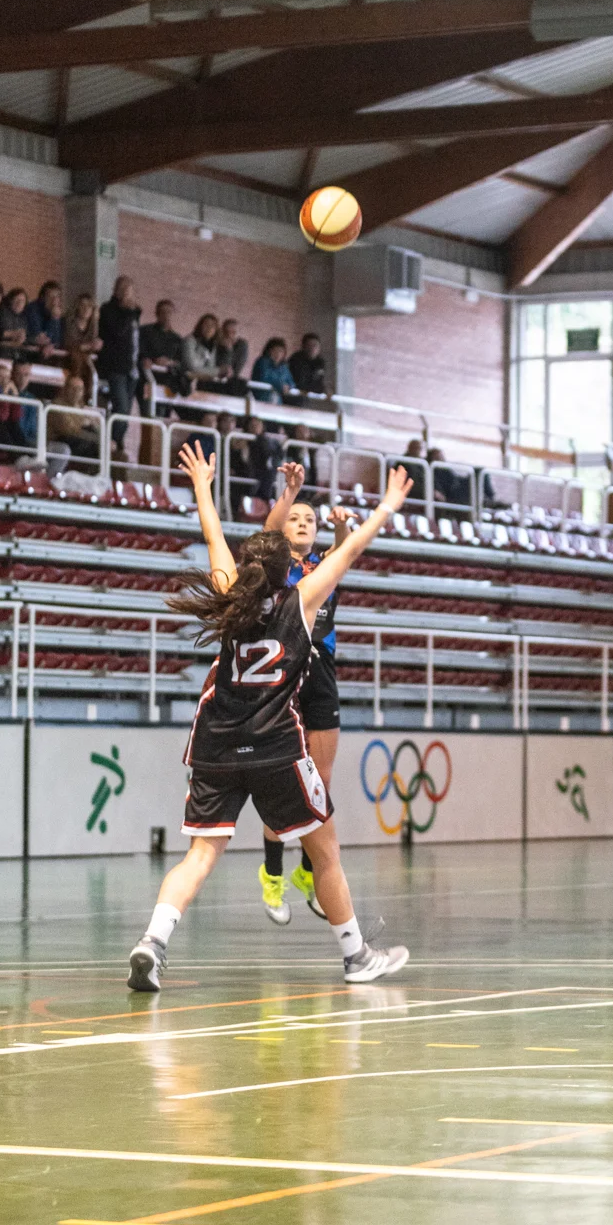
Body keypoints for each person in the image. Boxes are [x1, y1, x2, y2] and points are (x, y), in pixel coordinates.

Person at [125, 442, 413, 993]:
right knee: (324, 851)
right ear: (287, 570)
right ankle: (356, 956)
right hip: (276, 744)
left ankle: (153, 942)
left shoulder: (228, 596)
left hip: (215, 743)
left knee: (200, 854)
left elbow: (213, 534)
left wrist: (203, 487)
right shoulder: (298, 601)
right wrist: (386, 506)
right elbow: (350, 552)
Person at [256, 462, 348, 924]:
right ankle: (272, 874)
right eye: (296, 518)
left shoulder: (325, 566)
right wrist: (289, 495)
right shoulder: (277, 566)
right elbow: (269, 531)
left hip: (322, 677)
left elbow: (347, 547)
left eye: (310, 519)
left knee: (320, 784)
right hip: (284, 678)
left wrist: (343, 526)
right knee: (284, 785)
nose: (303, 523)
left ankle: (308, 873)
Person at [98, 276, 141, 414]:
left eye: (129, 290)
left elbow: (135, 338)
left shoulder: (134, 313)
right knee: (121, 408)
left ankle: (118, 429)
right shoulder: (107, 309)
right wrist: (128, 312)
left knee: (126, 411)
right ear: (116, 290)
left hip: (131, 367)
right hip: (115, 367)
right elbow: (118, 331)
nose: (126, 293)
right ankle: (114, 429)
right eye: (123, 289)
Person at [138, 299, 185, 392]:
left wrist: (169, 362)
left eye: (169, 312)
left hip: (167, 380)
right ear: (157, 314)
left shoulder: (177, 339)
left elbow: (180, 361)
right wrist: (147, 359)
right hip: (145, 377)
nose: (166, 316)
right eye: (163, 312)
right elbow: (138, 350)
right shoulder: (145, 331)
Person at [251, 337, 299, 404]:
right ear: (268, 351)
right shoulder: (262, 362)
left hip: (277, 401)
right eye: (274, 350)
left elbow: (291, 382)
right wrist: (279, 385)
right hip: (261, 398)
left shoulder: (284, 367)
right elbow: (264, 378)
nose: (277, 354)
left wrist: (288, 387)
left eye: (280, 351)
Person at [182, 313, 223, 389]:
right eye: (206, 325)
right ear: (200, 326)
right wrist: (218, 371)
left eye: (212, 326)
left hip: (200, 382)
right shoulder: (190, 340)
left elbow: (210, 368)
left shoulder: (212, 346)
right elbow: (192, 367)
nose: (209, 328)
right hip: (183, 381)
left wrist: (213, 372)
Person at [25, 280, 65, 355]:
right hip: (28, 352)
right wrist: (54, 319)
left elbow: (57, 340)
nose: (54, 300)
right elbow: (41, 338)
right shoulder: (32, 309)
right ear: (42, 298)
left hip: (47, 353)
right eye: (50, 296)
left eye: (57, 297)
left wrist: (52, 345)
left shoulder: (56, 312)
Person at [65, 291, 100, 373]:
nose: (86, 309)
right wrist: (88, 346)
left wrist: (95, 320)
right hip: (69, 361)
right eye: (82, 305)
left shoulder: (93, 324)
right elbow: (69, 344)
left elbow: (93, 344)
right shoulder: (70, 322)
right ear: (77, 307)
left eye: (89, 306)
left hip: (87, 363)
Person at [289, 332, 328, 398]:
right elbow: (300, 383)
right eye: (309, 345)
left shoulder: (320, 362)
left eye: (315, 345)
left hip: (313, 396)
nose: (312, 348)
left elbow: (319, 381)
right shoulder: (296, 360)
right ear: (303, 347)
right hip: (297, 395)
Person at [218, 318, 249, 385]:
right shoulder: (217, 343)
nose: (229, 335)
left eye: (233, 332)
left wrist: (229, 350)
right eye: (226, 332)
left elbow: (234, 372)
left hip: (230, 382)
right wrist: (227, 350)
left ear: (239, 333)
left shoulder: (242, 345)